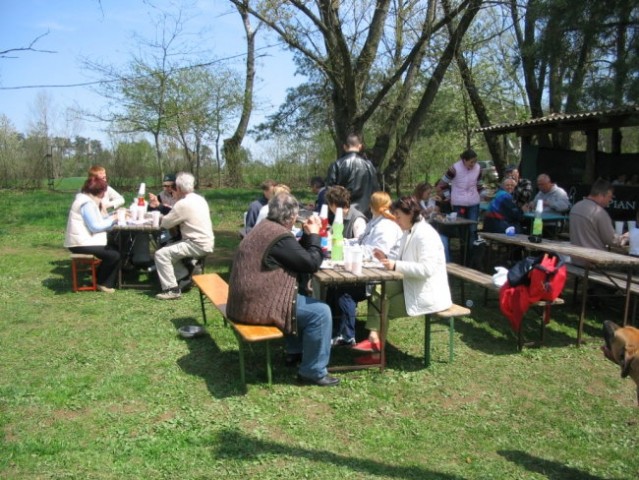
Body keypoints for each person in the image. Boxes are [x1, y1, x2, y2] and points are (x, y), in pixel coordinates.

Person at [227, 191, 339, 387]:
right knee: (320, 312)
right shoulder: (278, 236)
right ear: (292, 216)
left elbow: (294, 256)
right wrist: (313, 235)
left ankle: (294, 352)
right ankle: (312, 371)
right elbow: (310, 263)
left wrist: (305, 235)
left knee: (298, 296)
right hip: (255, 306)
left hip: (243, 300)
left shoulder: (265, 228)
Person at [353, 196, 452, 363]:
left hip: (427, 292)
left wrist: (395, 265)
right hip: (410, 284)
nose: (396, 220)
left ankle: (376, 353)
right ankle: (374, 338)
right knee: (378, 290)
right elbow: (400, 259)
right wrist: (385, 258)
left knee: (384, 307)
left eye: (398, 216)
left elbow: (426, 270)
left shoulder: (425, 235)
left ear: (410, 213)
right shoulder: (409, 231)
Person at [328, 191, 402, 347]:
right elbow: (361, 242)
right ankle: (336, 330)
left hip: (380, 275)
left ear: (372, 206)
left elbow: (375, 253)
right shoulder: (376, 222)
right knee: (333, 287)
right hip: (369, 268)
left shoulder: (386, 226)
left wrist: (347, 250)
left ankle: (347, 337)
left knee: (344, 290)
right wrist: (342, 243)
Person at [154, 172, 214, 300]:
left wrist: (171, 205)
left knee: (161, 254)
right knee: (168, 249)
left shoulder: (183, 203)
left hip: (196, 244)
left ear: (179, 188)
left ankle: (172, 289)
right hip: (206, 241)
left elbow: (165, 223)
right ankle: (184, 275)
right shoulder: (199, 199)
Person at [64, 176, 121, 293]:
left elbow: (98, 220)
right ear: (99, 192)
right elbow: (95, 226)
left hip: (81, 240)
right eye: (104, 191)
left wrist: (113, 216)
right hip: (79, 243)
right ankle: (102, 283)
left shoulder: (86, 200)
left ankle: (101, 280)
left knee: (115, 248)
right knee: (114, 254)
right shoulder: (87, 203)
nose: (104, 194)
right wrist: (114, 219)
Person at [436, 149, 485, 243]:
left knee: (473, 228)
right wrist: (449, 197)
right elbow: (442, 184)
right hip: (458, 203)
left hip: (474, 202)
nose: (473, 164)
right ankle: (463, 251)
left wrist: (483, 194)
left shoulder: (478, 168)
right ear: (464, 160)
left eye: (475, 161)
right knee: (461, 228)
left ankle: (472, 252)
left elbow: (479, 184)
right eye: (471, 162)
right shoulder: (454, 169)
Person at [570, 178, 629, 254]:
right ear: (601, 195)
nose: (610, 200)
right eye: (610, 197)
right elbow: (612, 240)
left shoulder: (575, 207)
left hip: (576, 258)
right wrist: (626, 237)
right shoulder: (600, 213)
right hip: (594, 260)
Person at [326, 133, 379, 215]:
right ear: (360, 146)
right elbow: (375, 190)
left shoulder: (337, 165)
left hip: (342, 213)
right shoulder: (370, 166)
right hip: (366, 213)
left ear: (344, 146)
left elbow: (329, 192)